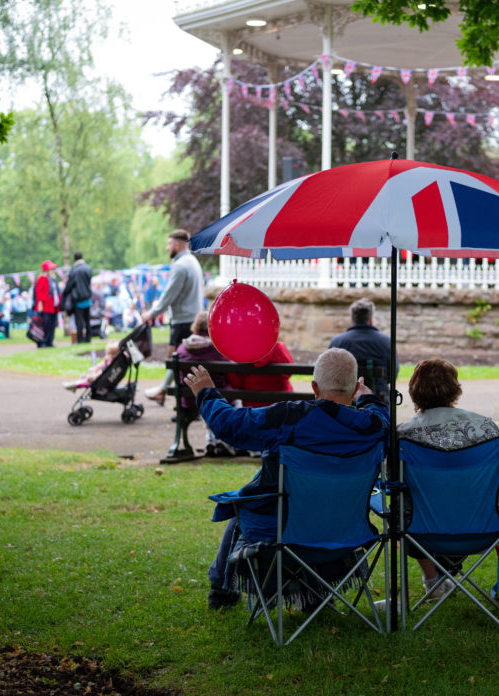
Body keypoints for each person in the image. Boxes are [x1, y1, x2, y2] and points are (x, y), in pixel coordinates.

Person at [183, 348, 389, 610]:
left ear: (315, 386)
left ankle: (222, 593)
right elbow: (383, 417)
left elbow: (230, 425)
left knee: (244, 504)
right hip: (346, 533)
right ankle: (315, 594)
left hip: (282, 533)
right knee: (259, 502)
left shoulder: (292, 417)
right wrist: (368, 398)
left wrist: (207, 392)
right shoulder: (372, 426)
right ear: (356, 387)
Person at [397, 358, 499, 597]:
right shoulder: (485, 428)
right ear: (456, 389)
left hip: (422, 530)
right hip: (483, 526)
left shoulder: (402, 436)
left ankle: (432, 582)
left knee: (407, 506)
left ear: (413, 392)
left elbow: (394, 482)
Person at [142, 229, 204, 404]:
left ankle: (167, 392)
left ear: (177, 245)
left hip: (182, 321)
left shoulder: (180, 265)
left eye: (169, 244)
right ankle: (166, 391)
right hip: (191, 317)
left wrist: (151, 314)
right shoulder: (193, 261)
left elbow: (169, 295)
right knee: (179, 360)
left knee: (174, 359)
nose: (166, 247)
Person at [172, 311, 232, 456]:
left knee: (212, 401)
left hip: (189, 399)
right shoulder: (219, 348)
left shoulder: (182, 347)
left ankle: (211, 441)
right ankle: (221, 441)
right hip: (220, 396)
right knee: (225, 399)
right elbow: (230, 372)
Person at [330, 297, 396, 402]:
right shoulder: (385, 342)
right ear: (371, 320)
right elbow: (392, 374)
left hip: (345, 403)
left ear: (352, 320)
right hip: (378, 401)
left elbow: (331, 375)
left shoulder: (337, 342)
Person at [61, 251, 93, 344]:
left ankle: (80, 339)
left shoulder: (74, 270)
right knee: (87, 320)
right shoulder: (88, 268)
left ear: (74, 259)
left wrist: (65, 294)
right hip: (87, 297)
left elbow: (69, 285)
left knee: (79, 321)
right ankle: (88, 338)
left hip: (78, 299)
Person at [33, 260, 60, 348]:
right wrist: (40, 304)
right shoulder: (42, 278)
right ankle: (44, 341)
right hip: (46, 306)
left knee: (52, 324)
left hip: (53, 305)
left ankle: (50, 341)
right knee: (45, 324)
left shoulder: (53, 279)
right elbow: (39, 292)